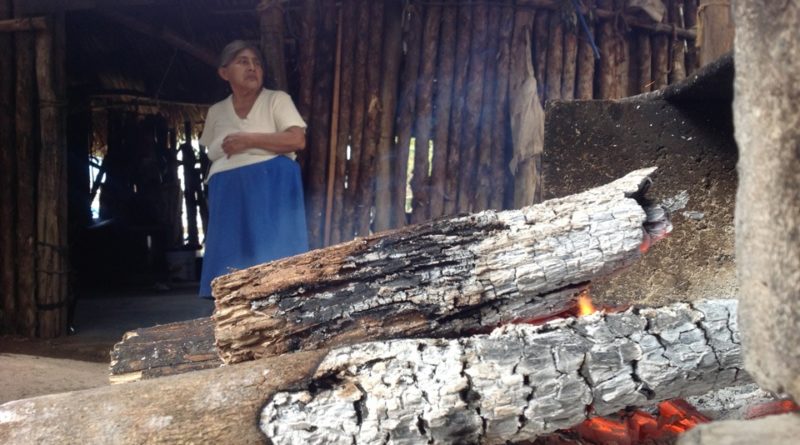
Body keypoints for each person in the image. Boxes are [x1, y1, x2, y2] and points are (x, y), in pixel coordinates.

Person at [198, 40, 308, 298]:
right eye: (243, 62)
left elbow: (296, 140)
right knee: (230, 262)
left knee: (274, 260)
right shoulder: (217, 111)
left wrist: (247, 140)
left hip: (270, 187)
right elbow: (211, 150)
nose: (252, 68)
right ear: (225, 73)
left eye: (256, 63)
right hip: (228, 192)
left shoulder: (276, 100)